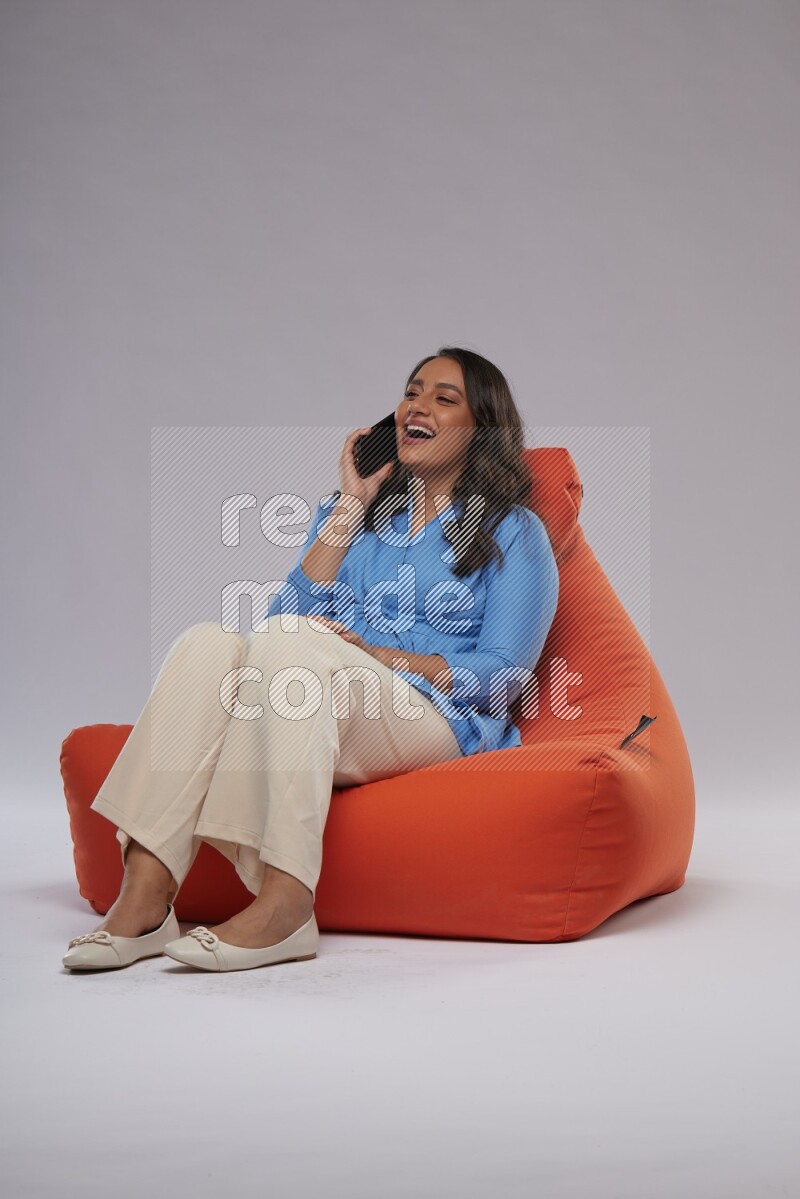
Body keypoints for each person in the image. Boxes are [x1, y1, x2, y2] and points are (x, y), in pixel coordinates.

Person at [62, 347, 560, 973]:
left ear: (481, 427)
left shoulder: (513, 530)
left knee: (293, 649)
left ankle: (286, 901)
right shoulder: (356, 517)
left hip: (438, 717)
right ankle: (146, 895)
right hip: (323, 694)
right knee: (207, 644)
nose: (417, 405)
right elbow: (278, 625)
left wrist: (384, 656)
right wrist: (351, 507)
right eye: (411, 391)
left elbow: (503, 675)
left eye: (443, 397)